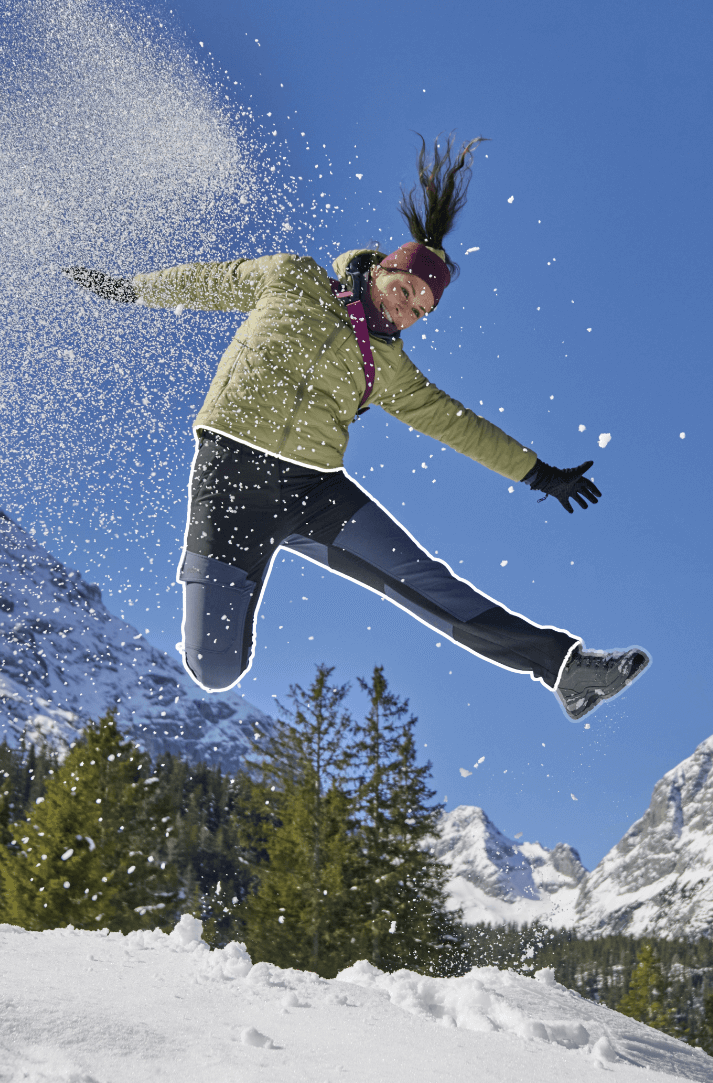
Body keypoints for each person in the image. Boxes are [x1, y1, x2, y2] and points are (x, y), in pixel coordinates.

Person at [66, 136, 648, 721]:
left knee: (427, 582)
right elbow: (211, 282)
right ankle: (246, 576)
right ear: (385, 268)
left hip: (316, 492)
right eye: (407, 291)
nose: (408, 310)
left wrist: (538, 472)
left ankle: (564, 669)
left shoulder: (391, 368)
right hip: (232, 479)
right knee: (216, 669)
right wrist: (131, 290)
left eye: (422, 311)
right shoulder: (292, 280)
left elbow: (456, 424)